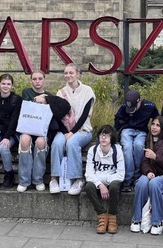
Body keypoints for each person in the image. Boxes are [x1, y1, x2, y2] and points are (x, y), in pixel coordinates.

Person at [49, 63, 96, 195]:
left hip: (83, 130)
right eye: (66, 73)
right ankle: (54, 178)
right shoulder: (61, 92)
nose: (68, 75)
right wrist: (65, 132)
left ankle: (78, 179)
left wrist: (72, 132)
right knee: (57, 143)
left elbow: (84, 116)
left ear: (78, 74)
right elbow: (58, 116)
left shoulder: (88, 91)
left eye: (71, 73)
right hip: (64, 130)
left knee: (72, 142)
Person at [130, 116, 163, 235]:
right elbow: (144, 162)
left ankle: (157, 221)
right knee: (141, 182)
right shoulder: (148, 139)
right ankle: (136, 219)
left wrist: (156, 157)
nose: (154, 127)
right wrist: (148, 172)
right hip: (151, 174)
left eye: (158, 125)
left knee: (155, 183)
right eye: (153, 124)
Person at [114, 90, 159, 192]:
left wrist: (156, 131)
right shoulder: (125, 106)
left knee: (138, 145)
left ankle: (138, 175)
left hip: (141, 131)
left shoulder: (149, 106)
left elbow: (157, 118)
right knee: (127, 147)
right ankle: (128, 178)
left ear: (139, 101)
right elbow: (117, 120)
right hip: (127, 129)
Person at [84, 125, 124, 234]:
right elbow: (88, 174)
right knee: (88, 186)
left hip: (112, 183)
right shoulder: (93, 150)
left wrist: (104, 181)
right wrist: (100, 185)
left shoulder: (117, 151)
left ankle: (112, 217)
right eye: (101, 135)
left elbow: (121, 175)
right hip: (99, 184)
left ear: (112, 138)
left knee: (115, 186)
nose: (103, 138)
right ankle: (102, 215)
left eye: (107, 135)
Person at [17, 70, 52, 193]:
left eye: (40, 79)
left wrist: (46, 100)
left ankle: (38, 179)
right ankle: (24, 180)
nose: (37, 81)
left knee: (41, 142)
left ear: (44, 80)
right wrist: (37, 100)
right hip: (28, 127)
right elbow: (26, 106)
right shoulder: (26, 92)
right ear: (31, 80)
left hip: (41, 130)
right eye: (35, 79)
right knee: (25, 139)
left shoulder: (49, 95)